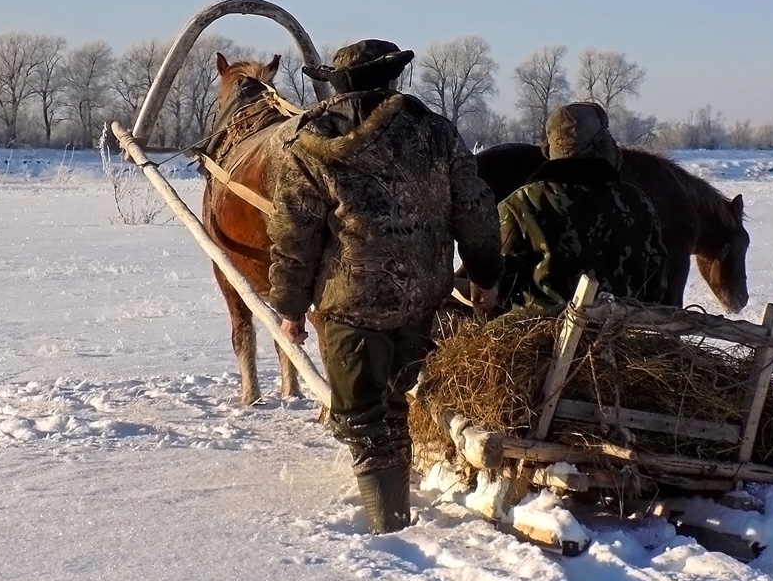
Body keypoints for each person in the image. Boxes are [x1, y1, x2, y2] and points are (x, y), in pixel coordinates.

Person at [266, 39, 502, 534]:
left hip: (350, 303)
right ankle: (393, 507)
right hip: (422, 296)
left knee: (362, 414)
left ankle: (388, 525)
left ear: (338, 84)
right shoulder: (436, 133)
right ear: (393, 78)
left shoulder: (308, 143)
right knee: (397, 396)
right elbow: (475, 209)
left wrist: (289, 306)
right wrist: (485, 275)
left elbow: (293, 234)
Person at [498, 102, 668, 312]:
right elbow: (657, 284)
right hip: (624, 329)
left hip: (540, 331)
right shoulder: (638, 203)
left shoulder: (518, 205)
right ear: (601, 145)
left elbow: (499, 286)